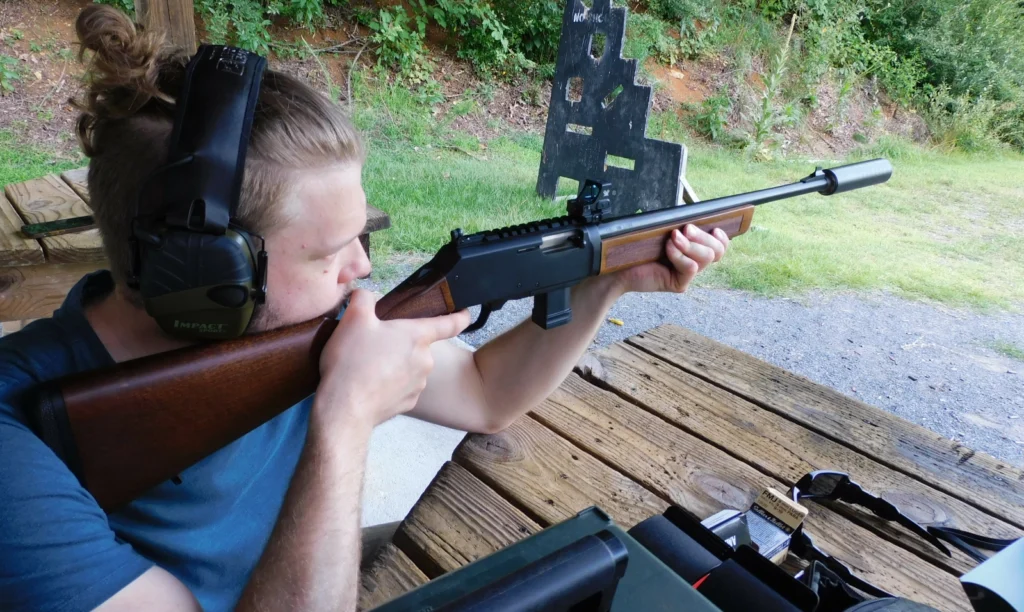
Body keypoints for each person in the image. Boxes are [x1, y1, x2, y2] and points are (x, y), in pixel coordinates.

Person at [0, 5, 731, 612]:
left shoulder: (300, 325)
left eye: (362, 236)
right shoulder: (14, 442)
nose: (364, 272)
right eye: (330, 253)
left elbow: (484, 396)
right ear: (205, 274)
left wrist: (606, 278)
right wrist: (346, 420)